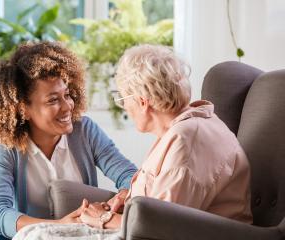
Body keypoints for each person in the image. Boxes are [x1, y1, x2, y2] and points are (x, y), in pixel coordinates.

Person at [13, 44, 252, 239]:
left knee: (37, 237)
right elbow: (159, 206)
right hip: (153, 229)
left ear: (142, 101)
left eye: (123, 97)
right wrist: (125, 199)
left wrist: (102, 219)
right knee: (35, 234)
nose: (124, 106)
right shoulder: (184, 129)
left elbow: (159, 229)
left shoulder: (185, 141)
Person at [0, 41, 138, 239]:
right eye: (53, 100)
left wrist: (122, 196)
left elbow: (130, 176)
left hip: (83, 234)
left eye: (67, 95)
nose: (67, 106)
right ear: (23, 109)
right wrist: (58, 226)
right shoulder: (4, 144)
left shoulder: (85, 130)